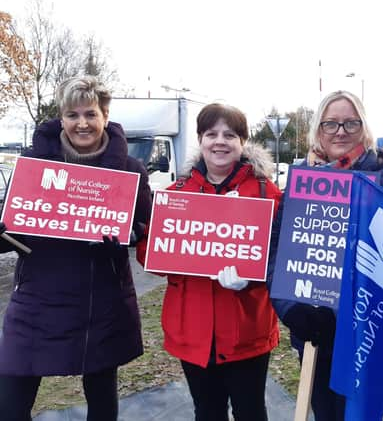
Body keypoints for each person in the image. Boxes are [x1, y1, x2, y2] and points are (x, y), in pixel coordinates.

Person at [0, 75, 152, 421]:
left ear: (105, 117)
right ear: (61, 118)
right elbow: (12, 233)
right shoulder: (33, 165)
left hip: (99, 302)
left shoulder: (130, 170)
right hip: (37, 300)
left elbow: (148, 229)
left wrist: (128, 236)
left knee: (101, 402)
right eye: (72, 115)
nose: (82, 123)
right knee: (9, 407)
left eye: (91, 114)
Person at [269, 90, 383, 421]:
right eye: (331, 123)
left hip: (368, 329)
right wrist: (293, 309)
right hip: (314, 330)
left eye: (350, 123)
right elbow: (277, 253)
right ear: (318, 130)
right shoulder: (301, 183)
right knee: (325, 412)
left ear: (363, 128)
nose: (340, 131)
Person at [136, 103, 281, 421]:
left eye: (230, 134)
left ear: (242, 142)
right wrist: (149, 239)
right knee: (208, 411)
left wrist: (254, 278)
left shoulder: (265, 193)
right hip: (194, 329)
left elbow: (281, 259)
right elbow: (152, 258)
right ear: (200, 140)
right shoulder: (178, 193)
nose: (220, 141)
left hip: (247, 329)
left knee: (251, 411)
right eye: (211, 133)